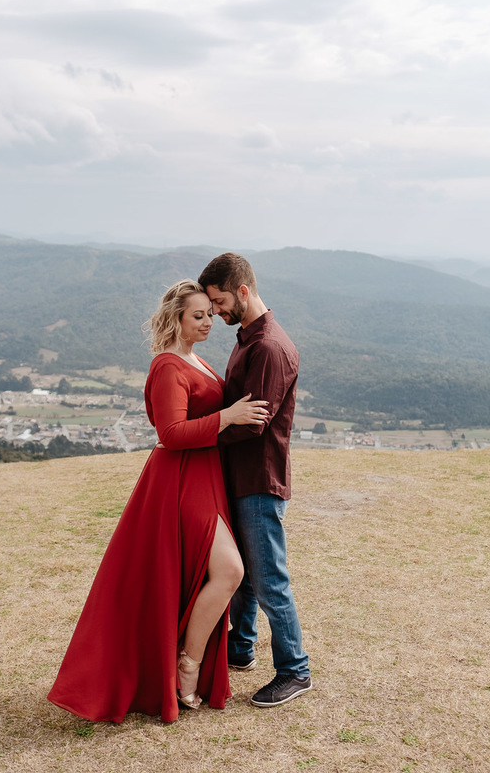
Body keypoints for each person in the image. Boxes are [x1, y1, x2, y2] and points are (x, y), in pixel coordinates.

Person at [47, 280, 269, 722]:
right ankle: (186, 664)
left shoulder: (195, 360)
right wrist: (227, 416)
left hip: (206, 477)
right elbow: (169, 434)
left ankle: (185, 661)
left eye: (210, 313)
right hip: (180, 480)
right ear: (177, 320)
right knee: (230, 570)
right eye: (198, 315)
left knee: (220, 571)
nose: (208, 321)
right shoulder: (168, 366)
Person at [199, 253, 313, 708]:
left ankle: (295, 671)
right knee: (244, 577)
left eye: (221, 301)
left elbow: (252, 425)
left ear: (243, 292)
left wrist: (199, 432)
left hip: (259, 481)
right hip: (242, 477)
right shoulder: (248, 337)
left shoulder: (268, 347)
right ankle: (241, 648)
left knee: (269, 581)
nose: (217, 311)